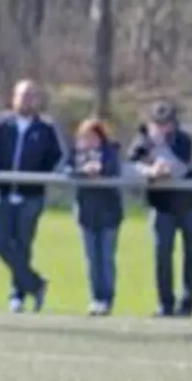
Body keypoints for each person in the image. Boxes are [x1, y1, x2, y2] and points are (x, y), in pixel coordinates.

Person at [0, 79, 64, 313]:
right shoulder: (0, 123)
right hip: (2, 192)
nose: (27, 100)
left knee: (23, 245)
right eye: (23, 95)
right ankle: (35, 283)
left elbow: (58, 158)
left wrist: (43, 177)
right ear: (14, 97)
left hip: (31, 195)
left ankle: (17, 296)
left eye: (32, 95)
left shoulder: (46, 128)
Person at [130, 100, 192, 318]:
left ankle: (187, 303)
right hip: (162, 207)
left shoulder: (184, 140)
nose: (163, 127)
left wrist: (164, 167)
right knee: (162, 254)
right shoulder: (142, 141)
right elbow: (131, 165)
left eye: (167, 123)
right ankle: (166, 304)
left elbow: (182, 167)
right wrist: (148, 171)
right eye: (158, 123)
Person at [68, 119, 123, 316]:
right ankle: (95, 298)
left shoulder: (110, 153)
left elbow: (112, 170)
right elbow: (66, 171)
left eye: (93, 137)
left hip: (109, 214)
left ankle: (107, 298)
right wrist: (83, 171)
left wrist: (99, 170)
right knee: (91, 259)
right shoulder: (75, 154)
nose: (89, 141)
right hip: (86, 214)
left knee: (106, 258)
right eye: (85, 137)